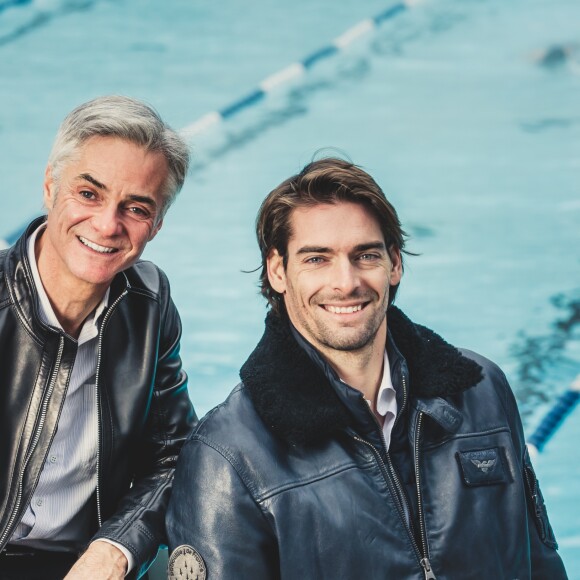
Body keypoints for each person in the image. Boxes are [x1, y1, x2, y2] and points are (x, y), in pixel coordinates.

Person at [166, 157, 568, 579]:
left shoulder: (482, 391)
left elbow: (540, 565)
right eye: (317, 259)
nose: (346, 282)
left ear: (394, 263)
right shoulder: (228, 456)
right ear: (278, 271)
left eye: (365, 255)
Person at [0, 95, 197, 579]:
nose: (108, 225)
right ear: (50, 186)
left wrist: (117, 546)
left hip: (88, 561)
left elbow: (175, 455)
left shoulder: (148, 303)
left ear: (157, 224)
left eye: (135, 207)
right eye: (89, 194)